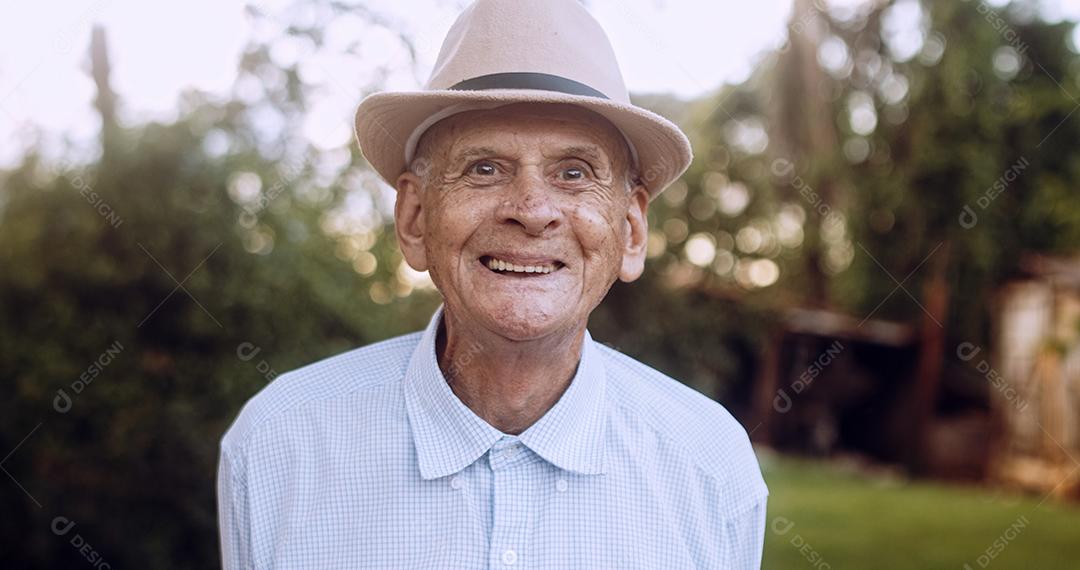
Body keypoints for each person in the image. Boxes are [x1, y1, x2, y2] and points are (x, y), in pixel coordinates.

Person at [217, 0, 768, 567]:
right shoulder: (277, 445)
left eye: (573, 173)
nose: (531, 210)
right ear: (414, 219)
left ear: (630, 231)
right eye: (484, 168)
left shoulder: (710, 462)